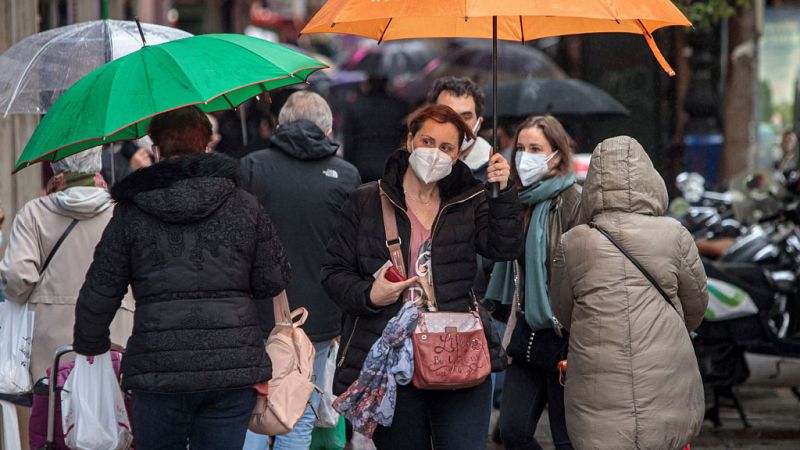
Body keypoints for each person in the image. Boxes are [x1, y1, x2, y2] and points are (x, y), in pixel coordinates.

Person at [72, 106, 291, 449]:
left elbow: (100, 290)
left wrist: (90, 343)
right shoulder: (243, 205)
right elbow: (273, 279)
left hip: (158, 368)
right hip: (231, 368)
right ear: (206, 145)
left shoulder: (131, 213)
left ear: (156, 149)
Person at [322, 104, 524, 450]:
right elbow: (333, 274)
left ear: (459, 153)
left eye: (446, 147)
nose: (435, 153)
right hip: (393, 360)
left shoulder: (471, 199)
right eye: (427, 141)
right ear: (410, 141)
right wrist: (371, 294)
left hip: (457, 353)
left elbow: (502, 248)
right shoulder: (366, 201)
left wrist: (504, 193)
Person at [551, 136, 708, 450]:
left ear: (593, 183)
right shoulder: (674, 234)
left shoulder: (573, 242)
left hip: (597, 386)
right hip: (666, 381)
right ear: (649, 179)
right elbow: (696, 305)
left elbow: (563, 310)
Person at [240, 91, 361, 449]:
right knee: (300, 408)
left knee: (253, 402)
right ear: (328, 131)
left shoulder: (251, 167)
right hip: (320, 314)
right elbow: (352, 249)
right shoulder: (347, 175)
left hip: (256, 308)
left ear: (279, 127)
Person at [484, 116, 581, 450]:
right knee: (511, 432)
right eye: (521, 148)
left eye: (536, 149)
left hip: (565, 338)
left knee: (566, 438)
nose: (525, 156)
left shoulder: (572, 202)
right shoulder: (516, 202)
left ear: (556, 154)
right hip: (525, 337)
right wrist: (499, 197)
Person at [0, 148, 134, 383]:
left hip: (52, 348)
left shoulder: (34, 213)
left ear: (55, 166)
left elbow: (17, 278)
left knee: (55, 413)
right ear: (97, 164)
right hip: (115, 338)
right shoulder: (123, 212)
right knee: (115, 413)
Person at [343, 75, 409, 182]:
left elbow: (349, 142)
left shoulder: (356, 106)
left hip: (361, 166)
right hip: (390, 165)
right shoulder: (399, 106)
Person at [428, 76, 492, 182]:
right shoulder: (408, 166)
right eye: (446, 115)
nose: (457, 124)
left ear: (479, 124)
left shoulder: (495, 173)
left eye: (465, 117)